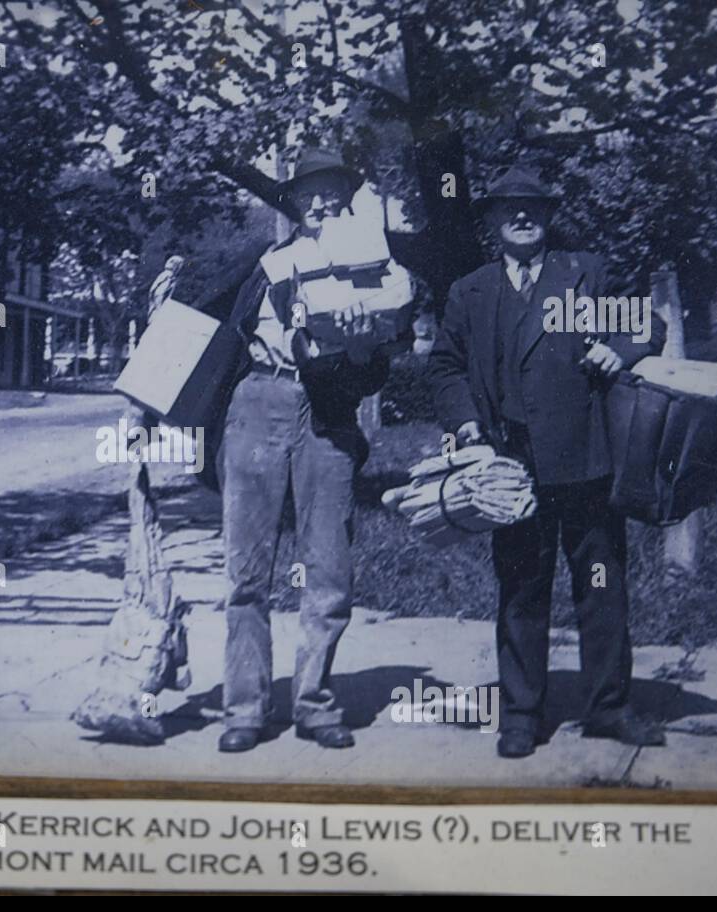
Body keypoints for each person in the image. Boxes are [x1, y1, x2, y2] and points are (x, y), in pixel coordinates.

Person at [428, 165, 667, 758]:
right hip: (512, 467)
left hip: (587, 460)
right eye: (508, 206)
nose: (521, 215)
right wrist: (465, 426)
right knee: (521, 590)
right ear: (490, 220)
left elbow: (650, 326)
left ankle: (609, 708)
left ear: (548, 216)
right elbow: (443, 368)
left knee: (601, 586)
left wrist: (620, 347)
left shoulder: (583, 273)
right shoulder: (471, 291)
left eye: (532, 206)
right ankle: (521, 715)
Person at [216, 147, 412, 753]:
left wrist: (357, 349)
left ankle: (314, 702)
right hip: (259, 401)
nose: (321, 202)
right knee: (246, 570)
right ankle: (245, 707)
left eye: (332, 191)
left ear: (347, 200)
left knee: (328, 568)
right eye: (309, 194)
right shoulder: (269, 264)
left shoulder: (375, 268)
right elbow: (218, 340)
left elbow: (381, 368)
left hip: (328, 414)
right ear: (294, 204)